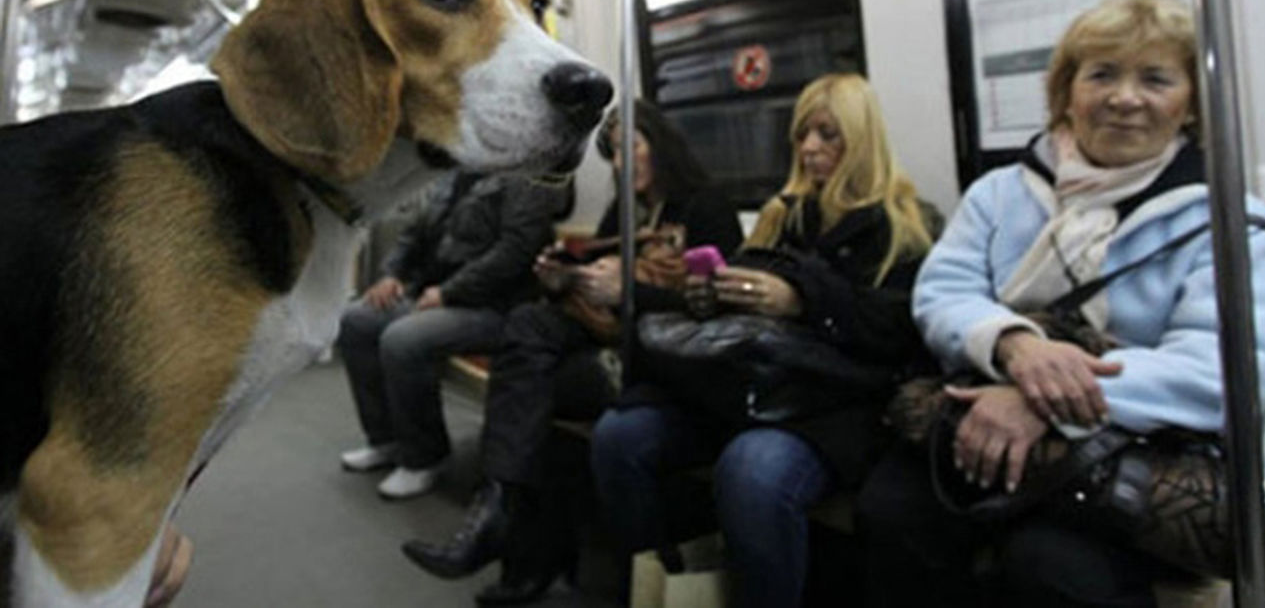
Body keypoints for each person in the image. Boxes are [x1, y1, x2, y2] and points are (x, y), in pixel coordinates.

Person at [856, 0, 1265, 606]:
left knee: (1052, 566)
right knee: (889, 511)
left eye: (1155, 79)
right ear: (1067, 93)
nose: (1125, 98)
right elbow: (944, 292)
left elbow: (1228, 363)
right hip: (989, 399)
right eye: (1102, 75)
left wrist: (1050, 401)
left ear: (1191, 103)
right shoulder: (999, 193)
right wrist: (1016, 346)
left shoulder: (1226, 221)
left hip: (1137, 446)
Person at [590, 74, 941, 608]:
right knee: (620, 436)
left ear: (862, 139)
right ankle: (655, 582)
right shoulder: (781, 214)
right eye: (802, 135)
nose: (810, 148)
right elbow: (738, 306)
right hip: (749, 387)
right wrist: (711, 295)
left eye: (828, 134)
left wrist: (802, 301)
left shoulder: (904, 225)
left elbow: (896, 331)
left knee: (752, 470)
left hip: (833, 403)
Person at [402, 100, 743, 605]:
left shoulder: (705, 208)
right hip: (610, 338)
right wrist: (564, 277)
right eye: (615, 154)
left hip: (665, 359)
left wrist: (628, 290)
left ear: (661, 145)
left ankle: (518, 545)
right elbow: (595, 276)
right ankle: (506, 517)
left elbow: (713, 310)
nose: (622, 163)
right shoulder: (624, 209)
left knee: (534, 398)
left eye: (632, 148)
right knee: (529, 337)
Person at [337, 170, 564, 499]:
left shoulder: (527, 177)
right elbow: (413, 233)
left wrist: (449, 292)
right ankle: (386, 440)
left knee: (404, 340)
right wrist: (392, 274)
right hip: (433, 292)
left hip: (496, 306)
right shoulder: (454, 172)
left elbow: (517, 250)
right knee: (357, 321)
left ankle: (424, 456)